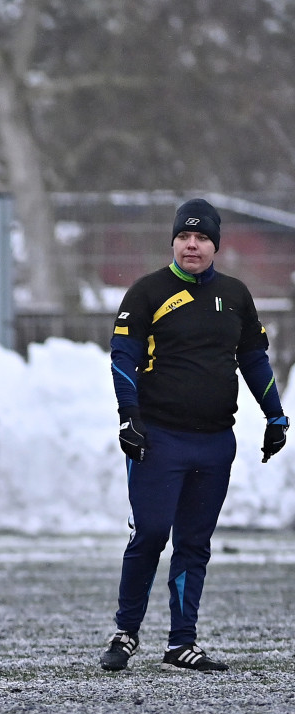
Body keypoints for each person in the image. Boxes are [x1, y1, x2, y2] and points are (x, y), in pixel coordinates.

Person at [100, 198, 288, 673]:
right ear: (173, 241)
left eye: (202, 237)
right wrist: (128, 417)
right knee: (150, 535)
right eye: (184, 236)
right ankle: (126, 633)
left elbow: (254, 360)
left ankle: (181, 643)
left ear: (215, 245)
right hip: (159, 439)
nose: (192, 244)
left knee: (194, 543)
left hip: (215, 442)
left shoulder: (236, 295)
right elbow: (122, 358)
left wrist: (275, 417)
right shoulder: (147, 292)